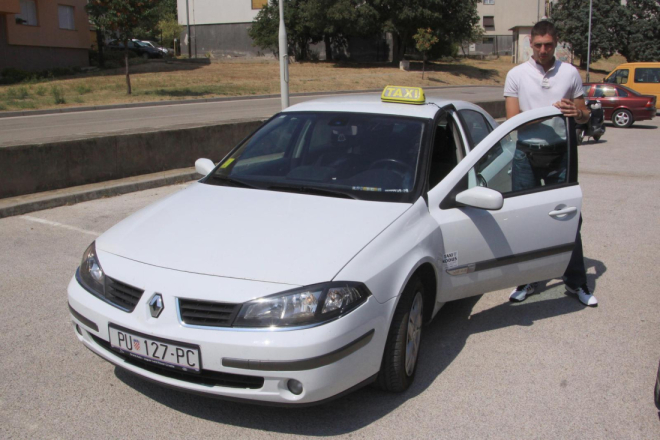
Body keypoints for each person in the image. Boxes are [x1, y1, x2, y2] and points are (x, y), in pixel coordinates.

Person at [503, 20, 597, 307]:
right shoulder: (516, 74)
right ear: (530, 43)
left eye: (549, 45)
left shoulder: (570, 73)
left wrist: (576, 112)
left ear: (557, 43)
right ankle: (527, 281)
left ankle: (577, 283)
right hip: (526, 155)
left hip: (562, 153)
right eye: (539, 44)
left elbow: (584, 114)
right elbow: (511, 120)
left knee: (568, 220)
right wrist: (546, 114)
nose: (543, 50)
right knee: (526, 221)